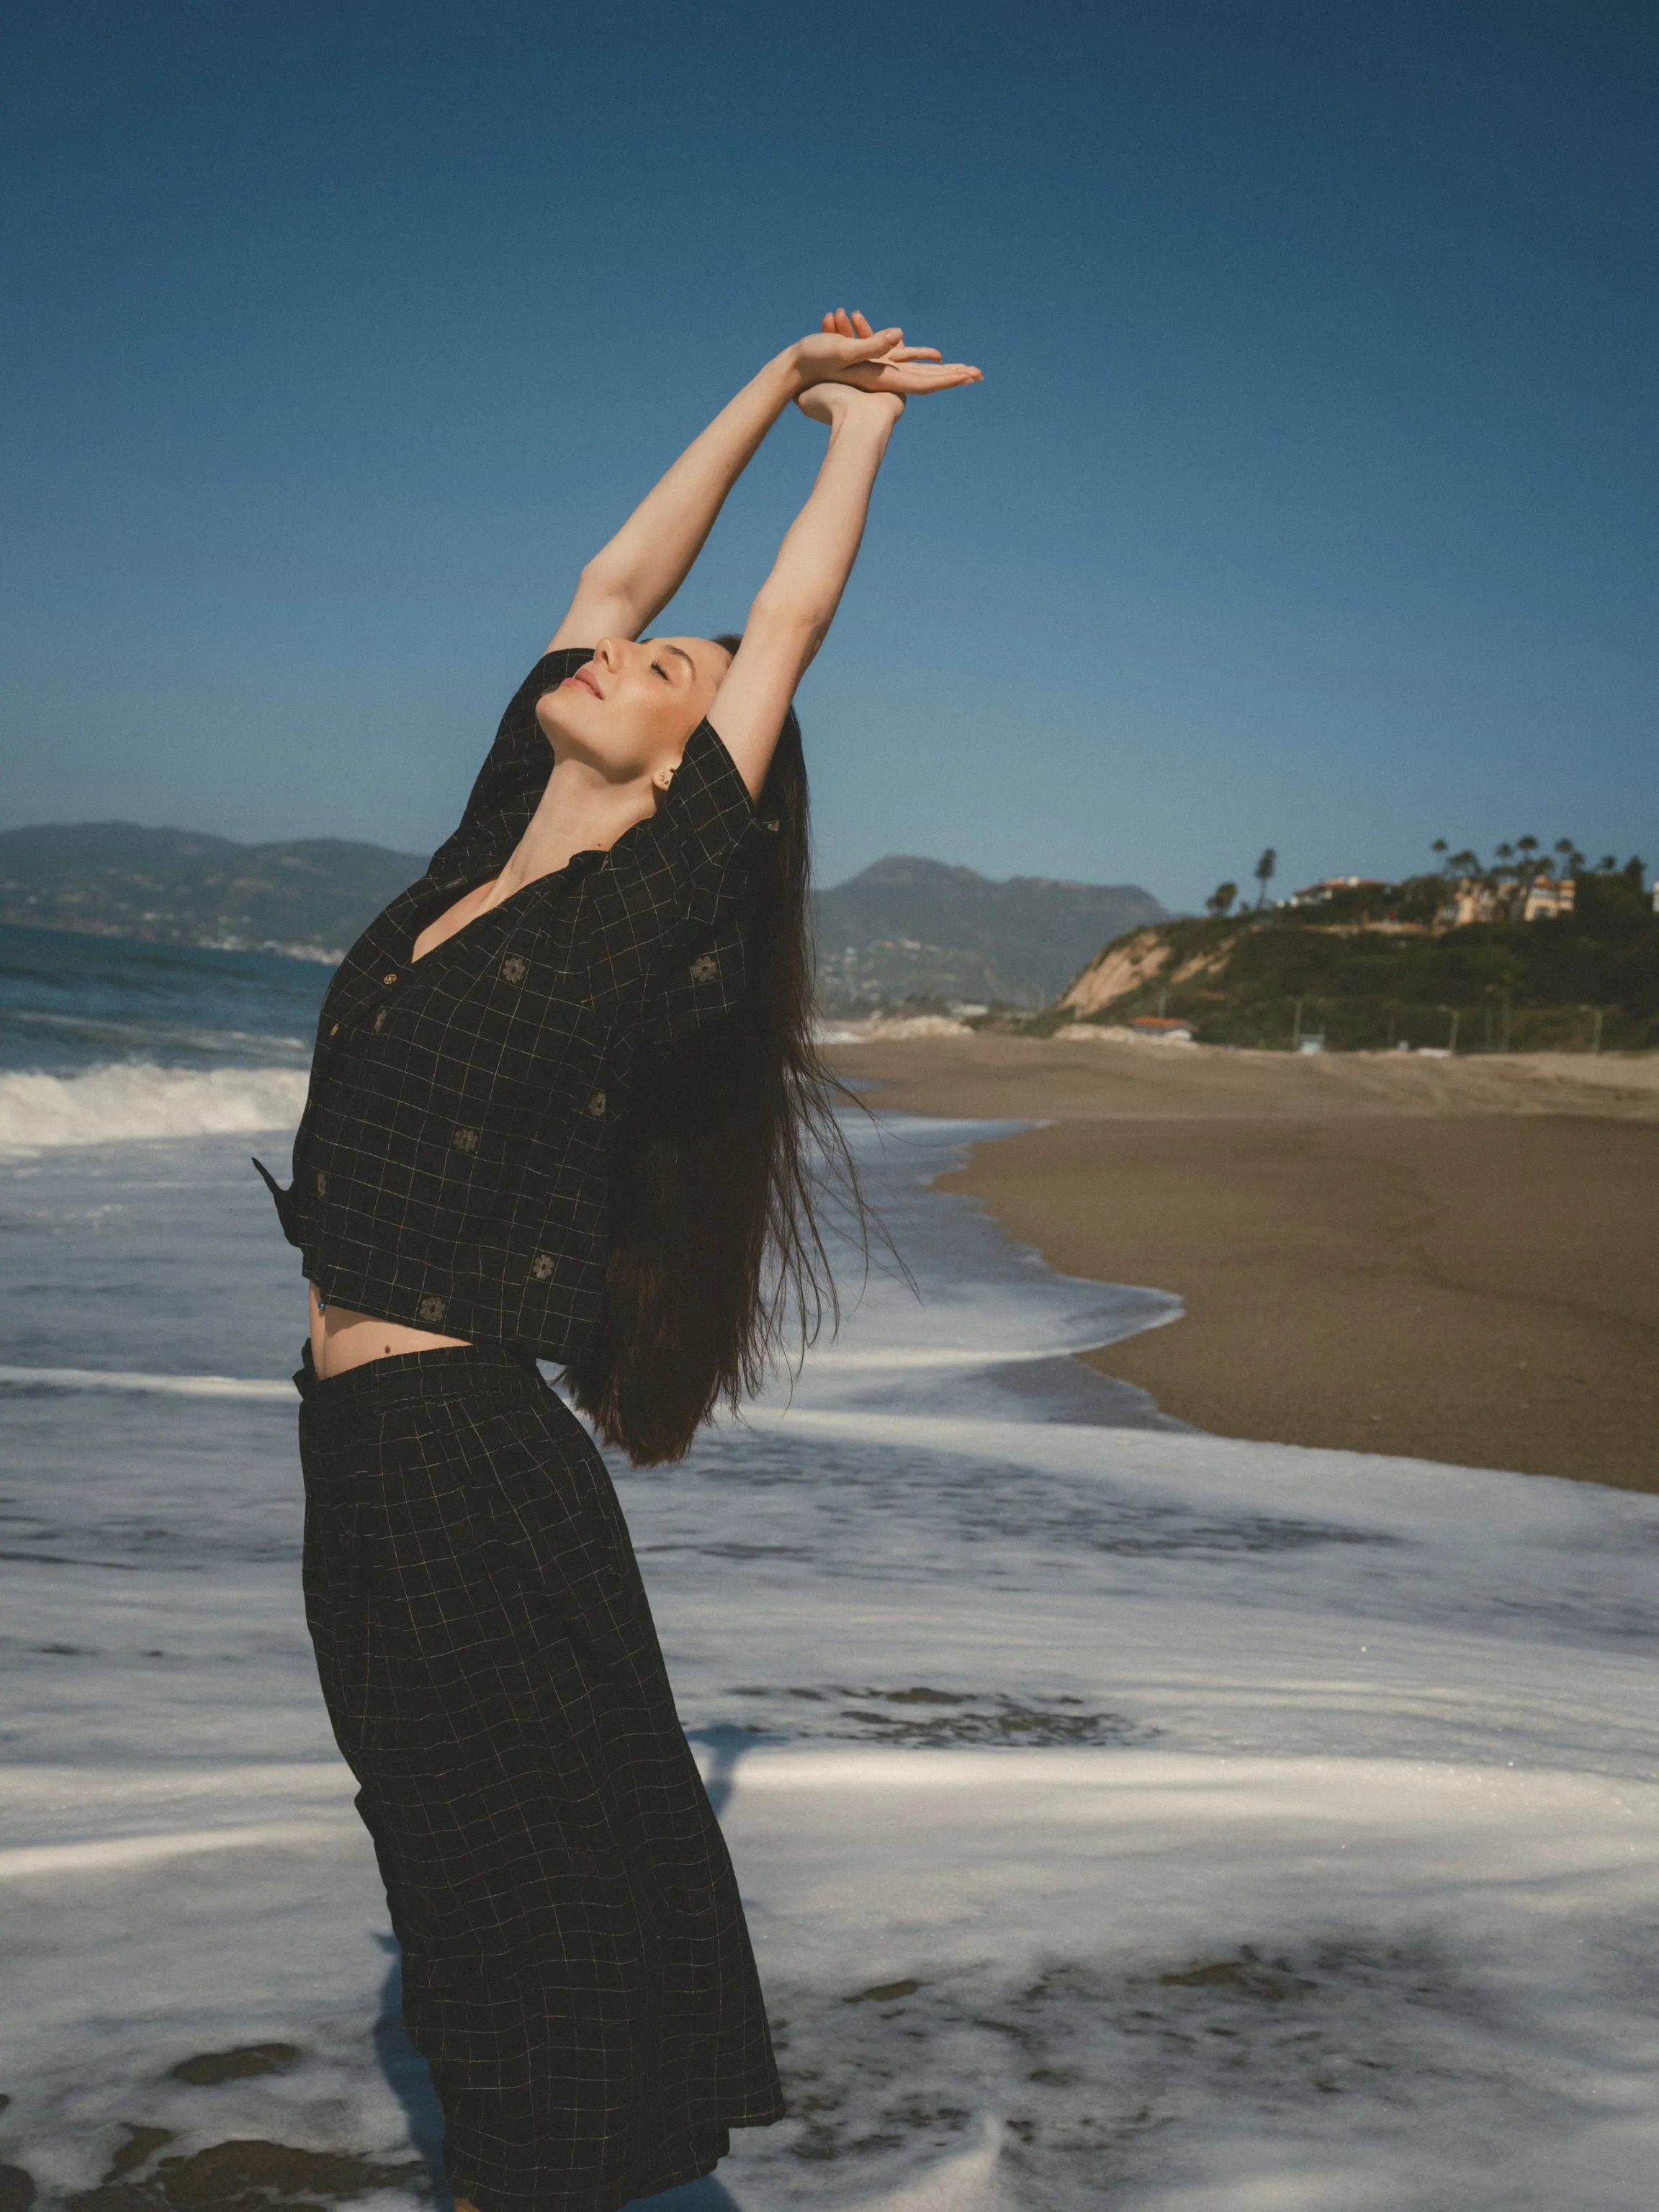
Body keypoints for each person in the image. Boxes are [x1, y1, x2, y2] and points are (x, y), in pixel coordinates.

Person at [255, 310, 981, 2212]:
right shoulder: (485, 856)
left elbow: (785, 627)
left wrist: (859, 439)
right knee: (452, 1876)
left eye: (664, 671)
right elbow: (613, 574)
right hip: (354, 1457)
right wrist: (768, 377)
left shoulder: (639, 907)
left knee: (529, 1910)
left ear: (690, 776)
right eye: (620, 651)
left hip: (465, 1466)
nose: (610, 653)